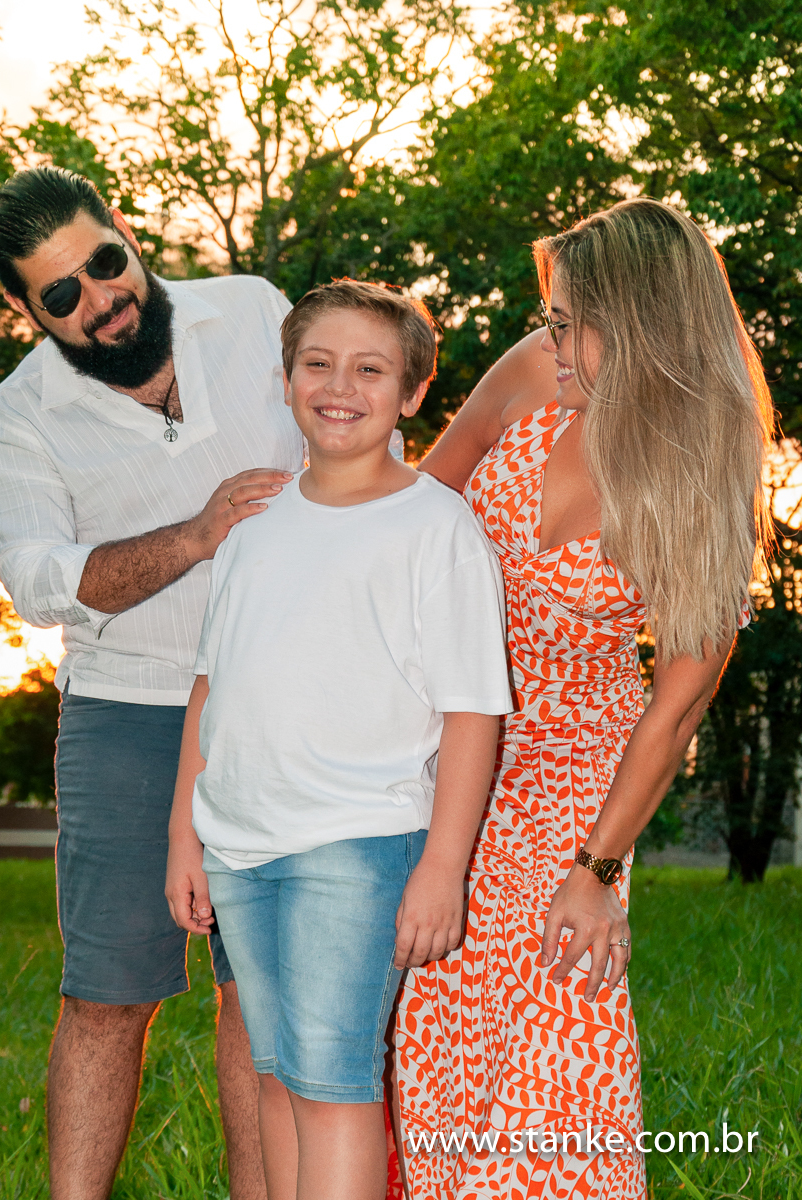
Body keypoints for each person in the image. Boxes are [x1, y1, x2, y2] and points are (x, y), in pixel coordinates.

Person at [394, 198, 773, 1198]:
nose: (549, 342)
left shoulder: (704, 469)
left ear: (641, 323)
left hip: (573, 773)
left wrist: (595, 870)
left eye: (569, 324)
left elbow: (678, 704)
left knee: (559, 1027)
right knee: (440, 1017)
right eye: (549, 319)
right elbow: (420, 508)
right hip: (443, 741)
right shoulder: (534, 370)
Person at [0, 165, 303, 1200]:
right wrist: (196, 535)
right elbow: (40, 584)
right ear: (24, 307)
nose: (101, 299)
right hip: (128, 713)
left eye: (103, 263)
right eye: (60, 293)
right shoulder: (17, 421)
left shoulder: (253, 311)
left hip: (287, 703)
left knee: (260, 997)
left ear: (122, 229)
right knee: (108, 995)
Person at [164, 279, 514, 1200]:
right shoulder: (254, 523)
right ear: (285, 380)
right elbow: (210, 687)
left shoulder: (436, 528)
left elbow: (473, 714)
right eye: (317, 364)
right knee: (276, 1078)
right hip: (239, 843)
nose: (339, 387)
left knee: (332, 1085)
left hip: (356, 842)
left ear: (412, 393)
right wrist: (183, 836)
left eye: (370, 370)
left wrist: (442, 868)